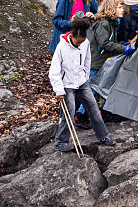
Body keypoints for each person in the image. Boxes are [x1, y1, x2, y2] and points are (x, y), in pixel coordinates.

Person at [49, 18, 116, 151]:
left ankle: (104, 136)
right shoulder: (61, 47)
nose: (79, 44)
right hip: (67, 84)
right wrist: (59, 90)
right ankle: (61, 142)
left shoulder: (85, 43)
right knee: (69, 112)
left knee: (93, 108)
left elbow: (87, 60)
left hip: (81, 82)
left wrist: (85, 76)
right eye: (77, 42)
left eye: (82, 41)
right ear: (71, 36)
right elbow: (54, 71)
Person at [89, 0, 128, 78]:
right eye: (119, 8)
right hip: (97, 64)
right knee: (92, 85)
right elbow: (104, 43)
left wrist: (122, 44)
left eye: (122, 7)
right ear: (111, 8)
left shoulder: (112, 23)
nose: (122, 10)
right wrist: (123, 48)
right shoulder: (103, 24)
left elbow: (111, 42)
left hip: (104, 63)